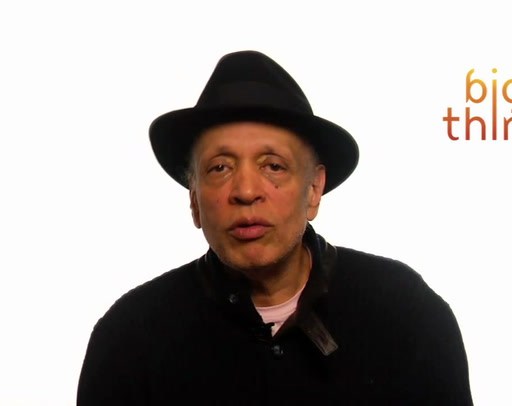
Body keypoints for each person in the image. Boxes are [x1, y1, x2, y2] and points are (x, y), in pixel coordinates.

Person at [77, 50, 473, 405]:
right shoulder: (130, 338)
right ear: (194, 199)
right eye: (220, 167)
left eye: (273, 166)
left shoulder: (405, 312)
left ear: (314, 189)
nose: (246, 191)